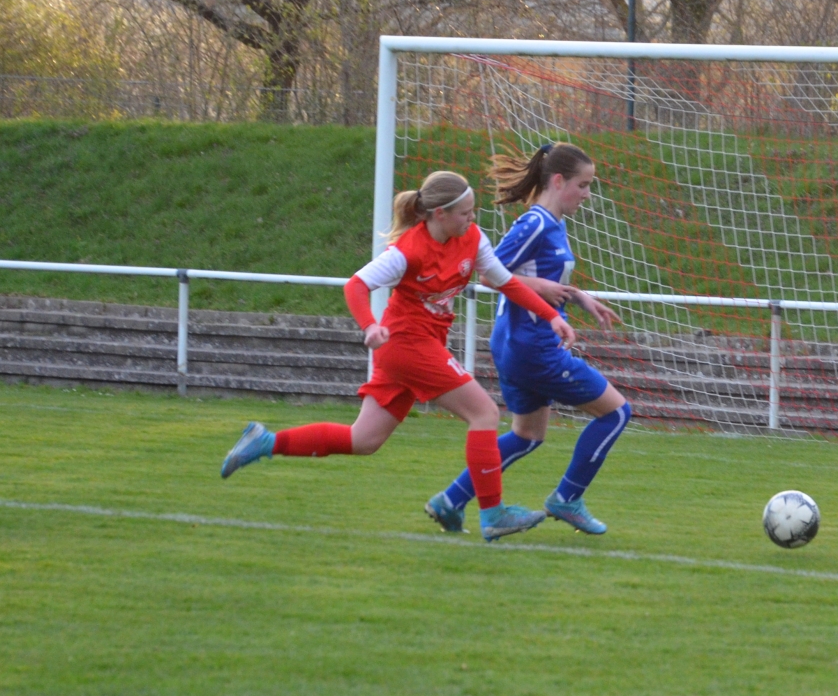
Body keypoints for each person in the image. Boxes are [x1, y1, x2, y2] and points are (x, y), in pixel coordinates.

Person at [218, 169, 577, 543]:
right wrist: (369, 325)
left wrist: (552, 316)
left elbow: (507, 282)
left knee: (364, 440)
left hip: (419, 345)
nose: (472, 218)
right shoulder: (409, 250)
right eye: (465, 213)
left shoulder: (471, 238)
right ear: (440, 214)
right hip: (405, 343)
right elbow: (357, 285)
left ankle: (265, 442)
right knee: (484, 413)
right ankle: (493, 514)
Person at [425, 142, 633, 537]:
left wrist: (581, 297)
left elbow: (540, 280)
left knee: (527, 435)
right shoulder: (535, 223)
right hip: (533, 344)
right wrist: (541, 286)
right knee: (616, 412)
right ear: (558, 181)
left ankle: (450, 500)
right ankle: (567, 498)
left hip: (517, 343)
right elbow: (489, 274)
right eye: (583, 185)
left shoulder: (555, 224)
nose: (587, 195)